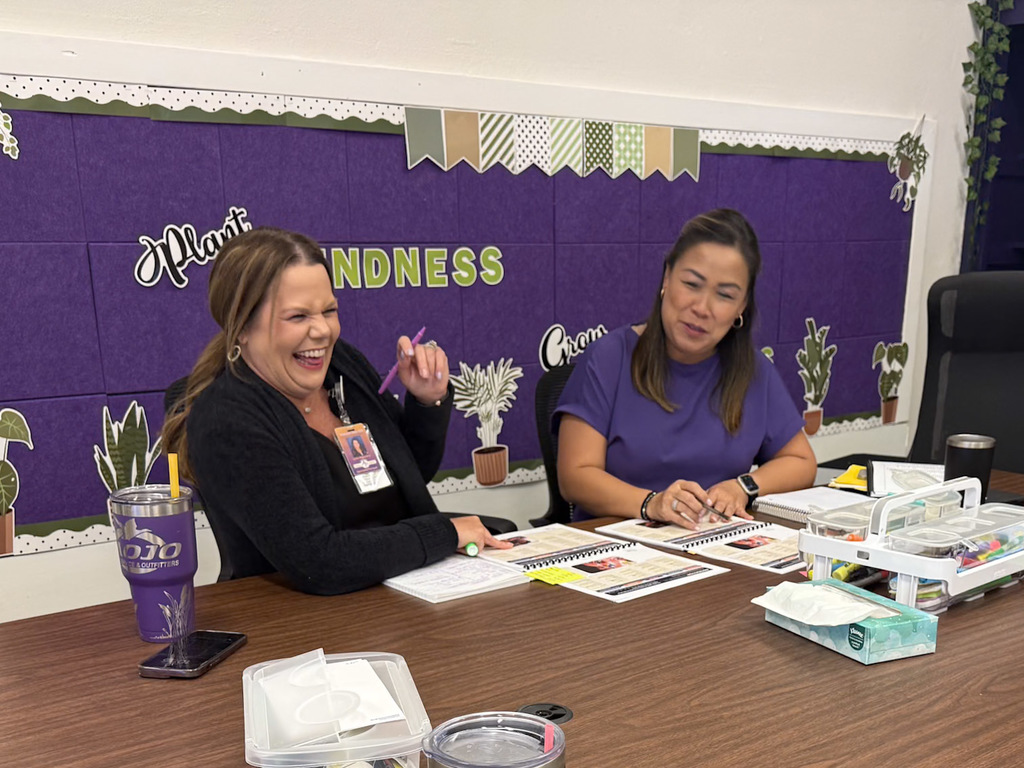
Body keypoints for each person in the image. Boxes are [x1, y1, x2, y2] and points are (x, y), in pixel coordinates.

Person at [161, 226, 510, 595]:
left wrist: (427, 401)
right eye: (298, 317)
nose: (323, 331)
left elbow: (408, 474)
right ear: (242, 328)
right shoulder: (227, 421)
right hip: (308, 623)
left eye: (329, 310)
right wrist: (443, 532)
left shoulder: (343, 365)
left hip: (402, 590)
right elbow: (320, 561)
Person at [555, 208, 816, 528]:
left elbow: (802, 462)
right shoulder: (609, 358)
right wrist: (652, 503)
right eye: (692, 284)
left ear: (741, 306)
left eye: (724, 295)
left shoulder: (753, 370)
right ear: (667, 278)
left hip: (715, 546)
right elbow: (575, 477)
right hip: (616, 549)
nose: (702, 308)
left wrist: (742, 487)